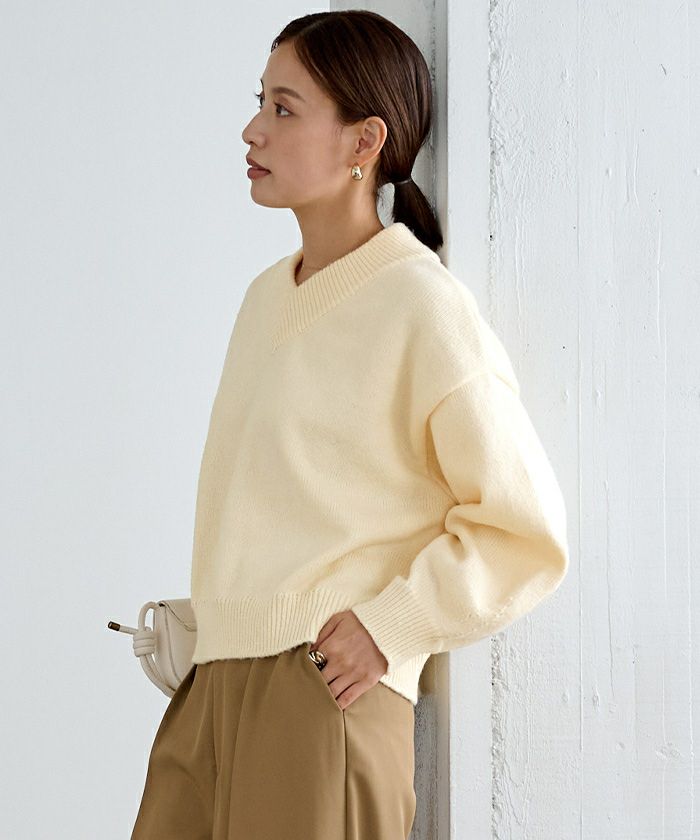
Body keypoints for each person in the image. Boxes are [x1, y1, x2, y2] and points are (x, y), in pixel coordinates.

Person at [130, 10, 569, 840]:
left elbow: (523, 530)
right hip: (212, 686)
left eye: (284, 108)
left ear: (364, 141)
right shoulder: (266, 298)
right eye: (260, 101)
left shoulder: (418, 304)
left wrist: (390, 626)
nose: (253, 129)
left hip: (318, 694)